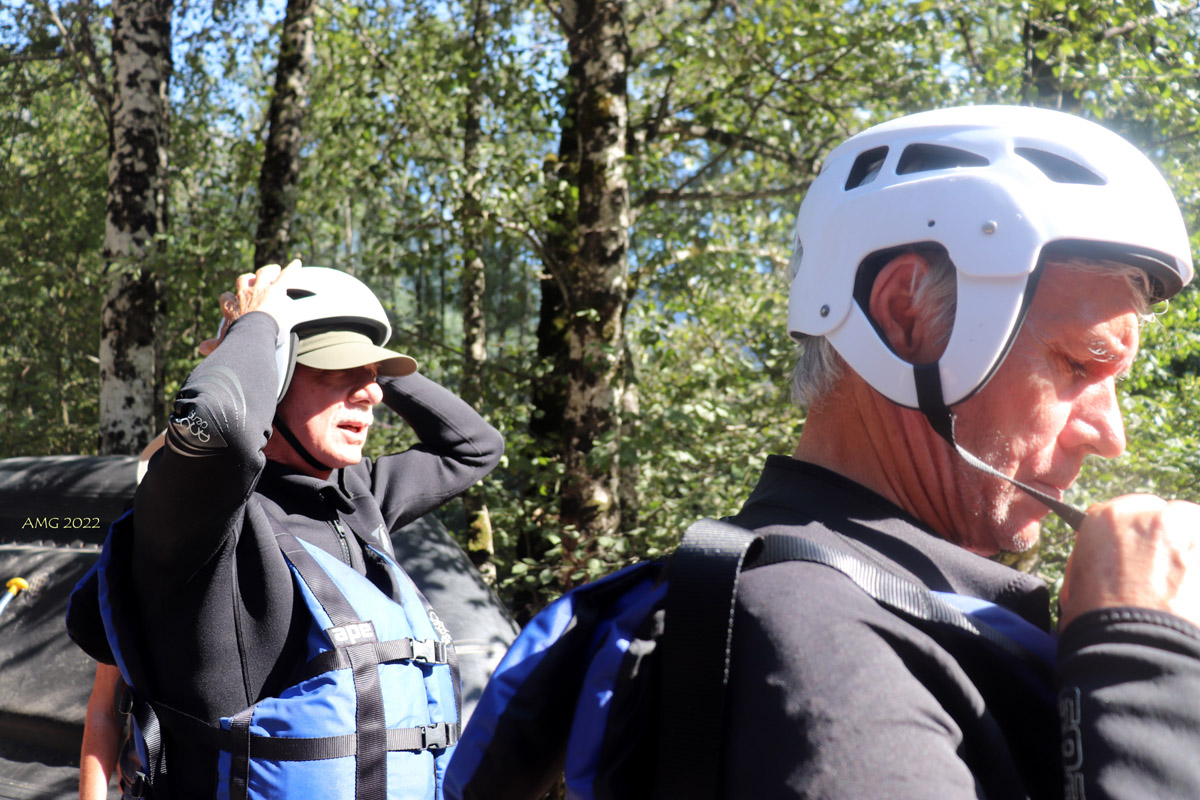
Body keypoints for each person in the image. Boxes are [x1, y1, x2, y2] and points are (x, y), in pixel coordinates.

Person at [719, 105, 1200, 798]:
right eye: (1078, 366)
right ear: (907, 318)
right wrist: (1144, 665)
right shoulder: (806, 640)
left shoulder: (910, 611)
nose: (1111, 436)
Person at [68, 262, 504, 800]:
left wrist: (369, 352)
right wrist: (260, 329)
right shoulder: (203, 520)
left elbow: (475, 447)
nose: (370, 396)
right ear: (272, 382)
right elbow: (221, 427)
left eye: (370, 379)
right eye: (336, 373)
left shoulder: (355, 497)